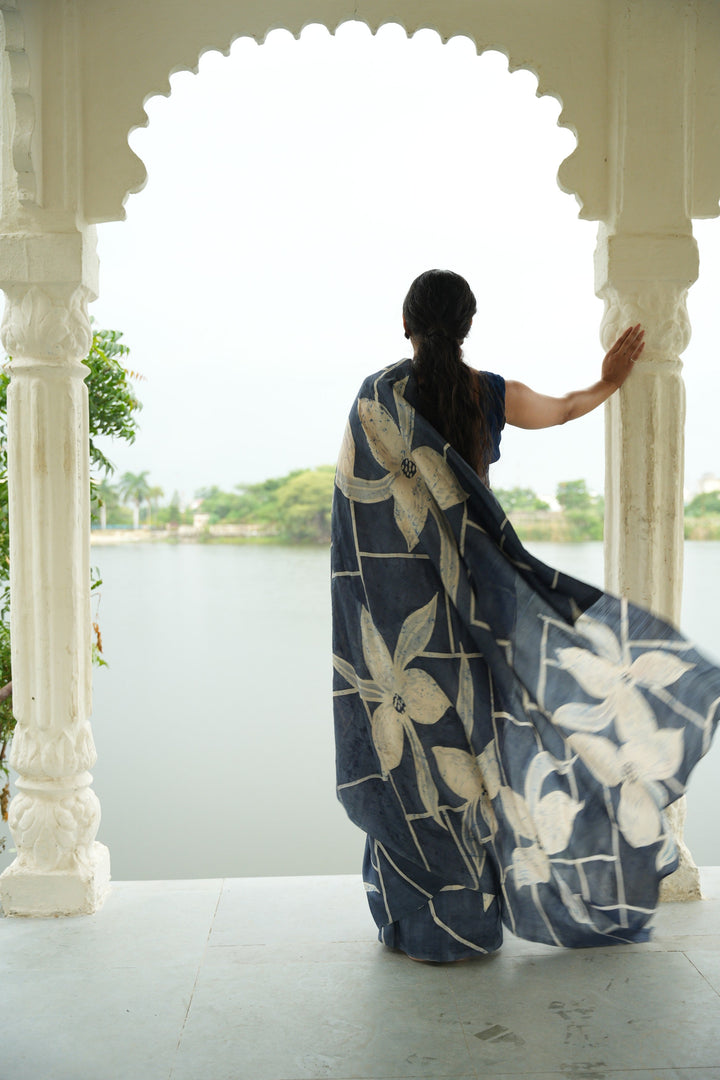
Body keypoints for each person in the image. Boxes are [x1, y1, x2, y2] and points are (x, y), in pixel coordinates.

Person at [331, 269, 720, 962]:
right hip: (482, 609)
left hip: (405, 621)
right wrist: (607, 380)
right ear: (468, 325)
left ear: (405, 324)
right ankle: (497, 896)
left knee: (414, 756)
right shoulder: (488, 394)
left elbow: (362, 524)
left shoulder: (376, 400)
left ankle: (431, 917)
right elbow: (566, 408)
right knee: (478, 757)